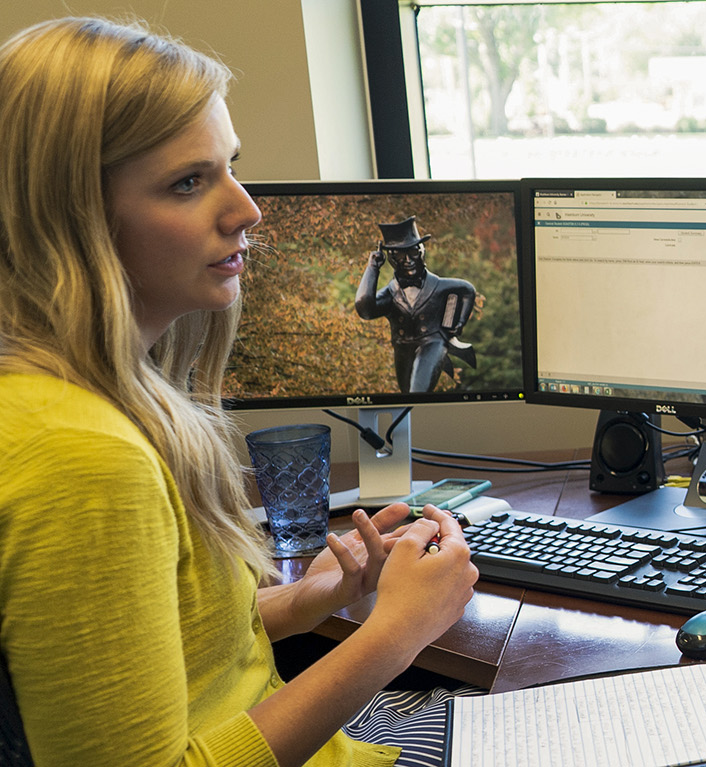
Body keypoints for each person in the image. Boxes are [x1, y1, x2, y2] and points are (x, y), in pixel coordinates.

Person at [0, 17, 480, 766]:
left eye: (230, 165)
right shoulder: (82, 456)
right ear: (69, 217)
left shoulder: (85, 396)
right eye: (189, 182)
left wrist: (307, 601)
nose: (247, 209)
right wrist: (397, 634)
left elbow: (170, 664)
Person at [355, 216, 479, 393]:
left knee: (417, 392)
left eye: (413, 251)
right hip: (402, 348)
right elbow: (364, 309)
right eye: (398, 254)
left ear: (422, 250)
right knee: (407, 398)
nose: (407, 260)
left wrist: (457, 324)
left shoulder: (441, 286)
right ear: (390, 258)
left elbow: (468, 290)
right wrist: (372, 268)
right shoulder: (389, 295)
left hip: (433, 342)